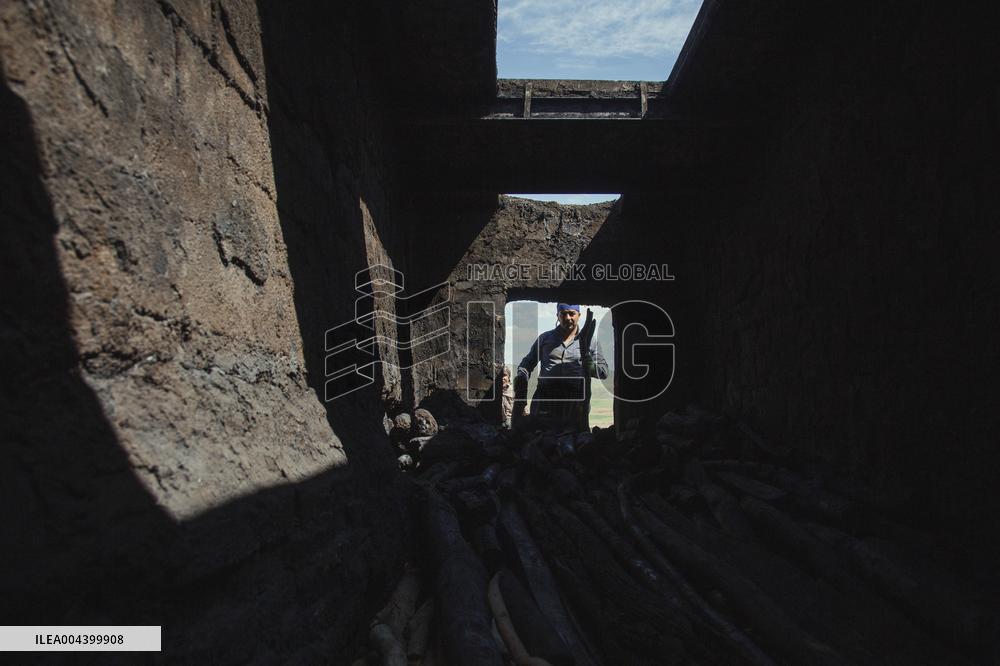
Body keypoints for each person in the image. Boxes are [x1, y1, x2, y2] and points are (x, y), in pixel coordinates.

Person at [515, 303, 608, 431]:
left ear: (579, 315)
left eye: (572, 313)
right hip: (545, 399)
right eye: (563, 314)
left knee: (573, 439)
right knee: (542, 438)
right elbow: (527, 363)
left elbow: (604, 372)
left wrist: (591, 366)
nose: (568, 317)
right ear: (557, 316)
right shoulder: (545, 339)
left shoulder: (590, 341)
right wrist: (522, 375)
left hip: (574, 401)